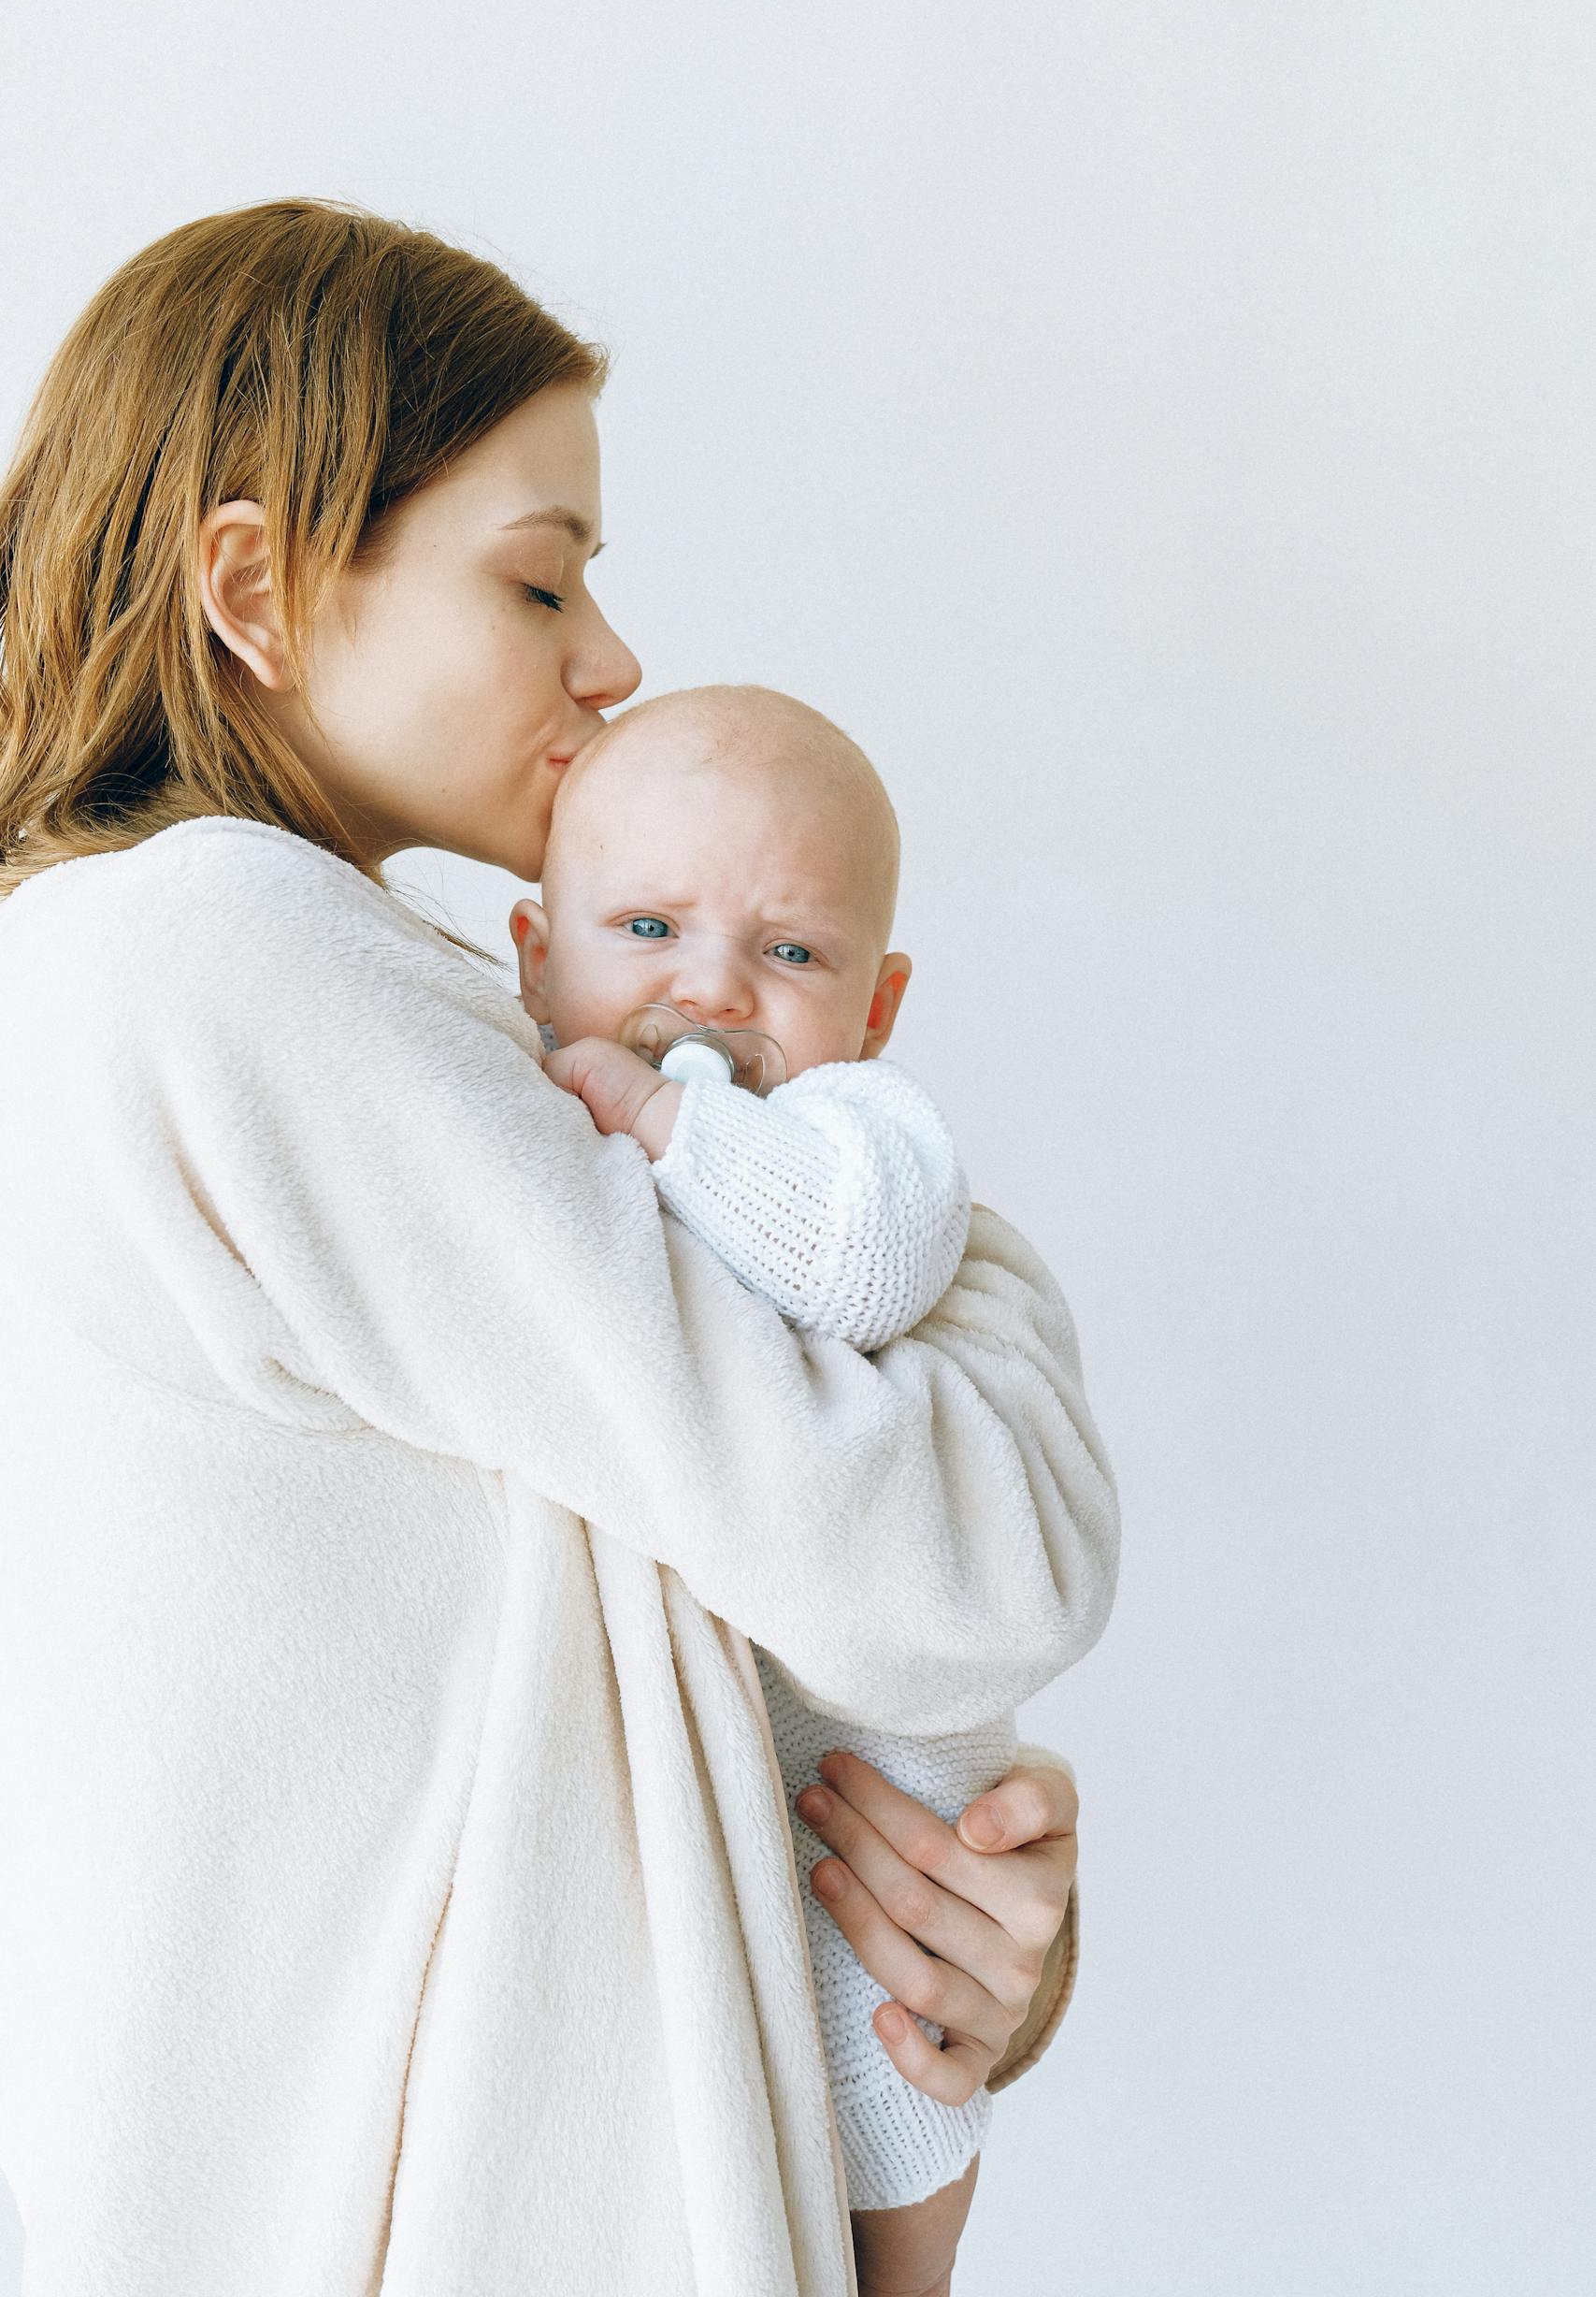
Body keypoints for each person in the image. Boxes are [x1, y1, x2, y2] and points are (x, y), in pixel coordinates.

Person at [0, 199, 1118, 2297]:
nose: (608, 658)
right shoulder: (219, 958)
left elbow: (708, 1593)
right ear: (249, 583)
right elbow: (970, 1569)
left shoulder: (200, 994)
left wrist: (934, 1926)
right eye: (537, 575)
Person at [510, 680, 1100, 2228]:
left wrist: (668, 1121)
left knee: (897, 2102)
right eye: (646, 929)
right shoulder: (494, 1122)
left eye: (790, 955)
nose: (712, 994)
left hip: (873, 1794)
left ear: (876, 1012)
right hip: (685, 1886)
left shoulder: (862, 1141)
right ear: (531, 953)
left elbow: (857, 1266)